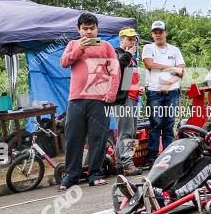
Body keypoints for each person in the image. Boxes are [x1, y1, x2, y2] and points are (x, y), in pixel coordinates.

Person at [120, 61, 211, 214]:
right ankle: (146, 189)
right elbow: (205, 131)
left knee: (207, 164)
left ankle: (169, 196)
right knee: (188, 159)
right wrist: (192, 137)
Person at [60, 13, 121, 188]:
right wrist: (80, 48)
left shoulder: (107, 46)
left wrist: (111, 94)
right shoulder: (72, 45)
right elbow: (64, 62)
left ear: (97, 29)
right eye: (85, 29)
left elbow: (115, 72)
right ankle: (71, 176)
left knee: (98, 138)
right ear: (78, 30)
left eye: (92, 28)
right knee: (73, 138)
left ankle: (95, 174)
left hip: (100, 99)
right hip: (76, 99)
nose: (88, 32)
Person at [142, 20, 185, 168]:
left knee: (169, 125)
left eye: (161, 31)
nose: (158, 34)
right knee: (155, 124)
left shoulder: (175, 50)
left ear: (166, 32)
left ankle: (169, 157)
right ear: (152, 34)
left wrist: (167, 84)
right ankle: (153, 158)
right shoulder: (148, 47)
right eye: (155, 32)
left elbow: (181, 72)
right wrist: (170, 67)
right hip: (154, 92)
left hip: (172, 91)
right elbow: (149, 65)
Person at [112, 27, 142, 176]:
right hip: (123, 99)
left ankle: (119, 163)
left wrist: (138, 89)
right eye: (129, 38)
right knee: (127, 132)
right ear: (121, 39)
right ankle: (128, 164)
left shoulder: (131, 58)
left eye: (133, 39)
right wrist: (128, 54)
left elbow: (127, 79)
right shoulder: (116, 53)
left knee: (128, 131)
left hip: (132, 97)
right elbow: (116, 68)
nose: (132, 41)